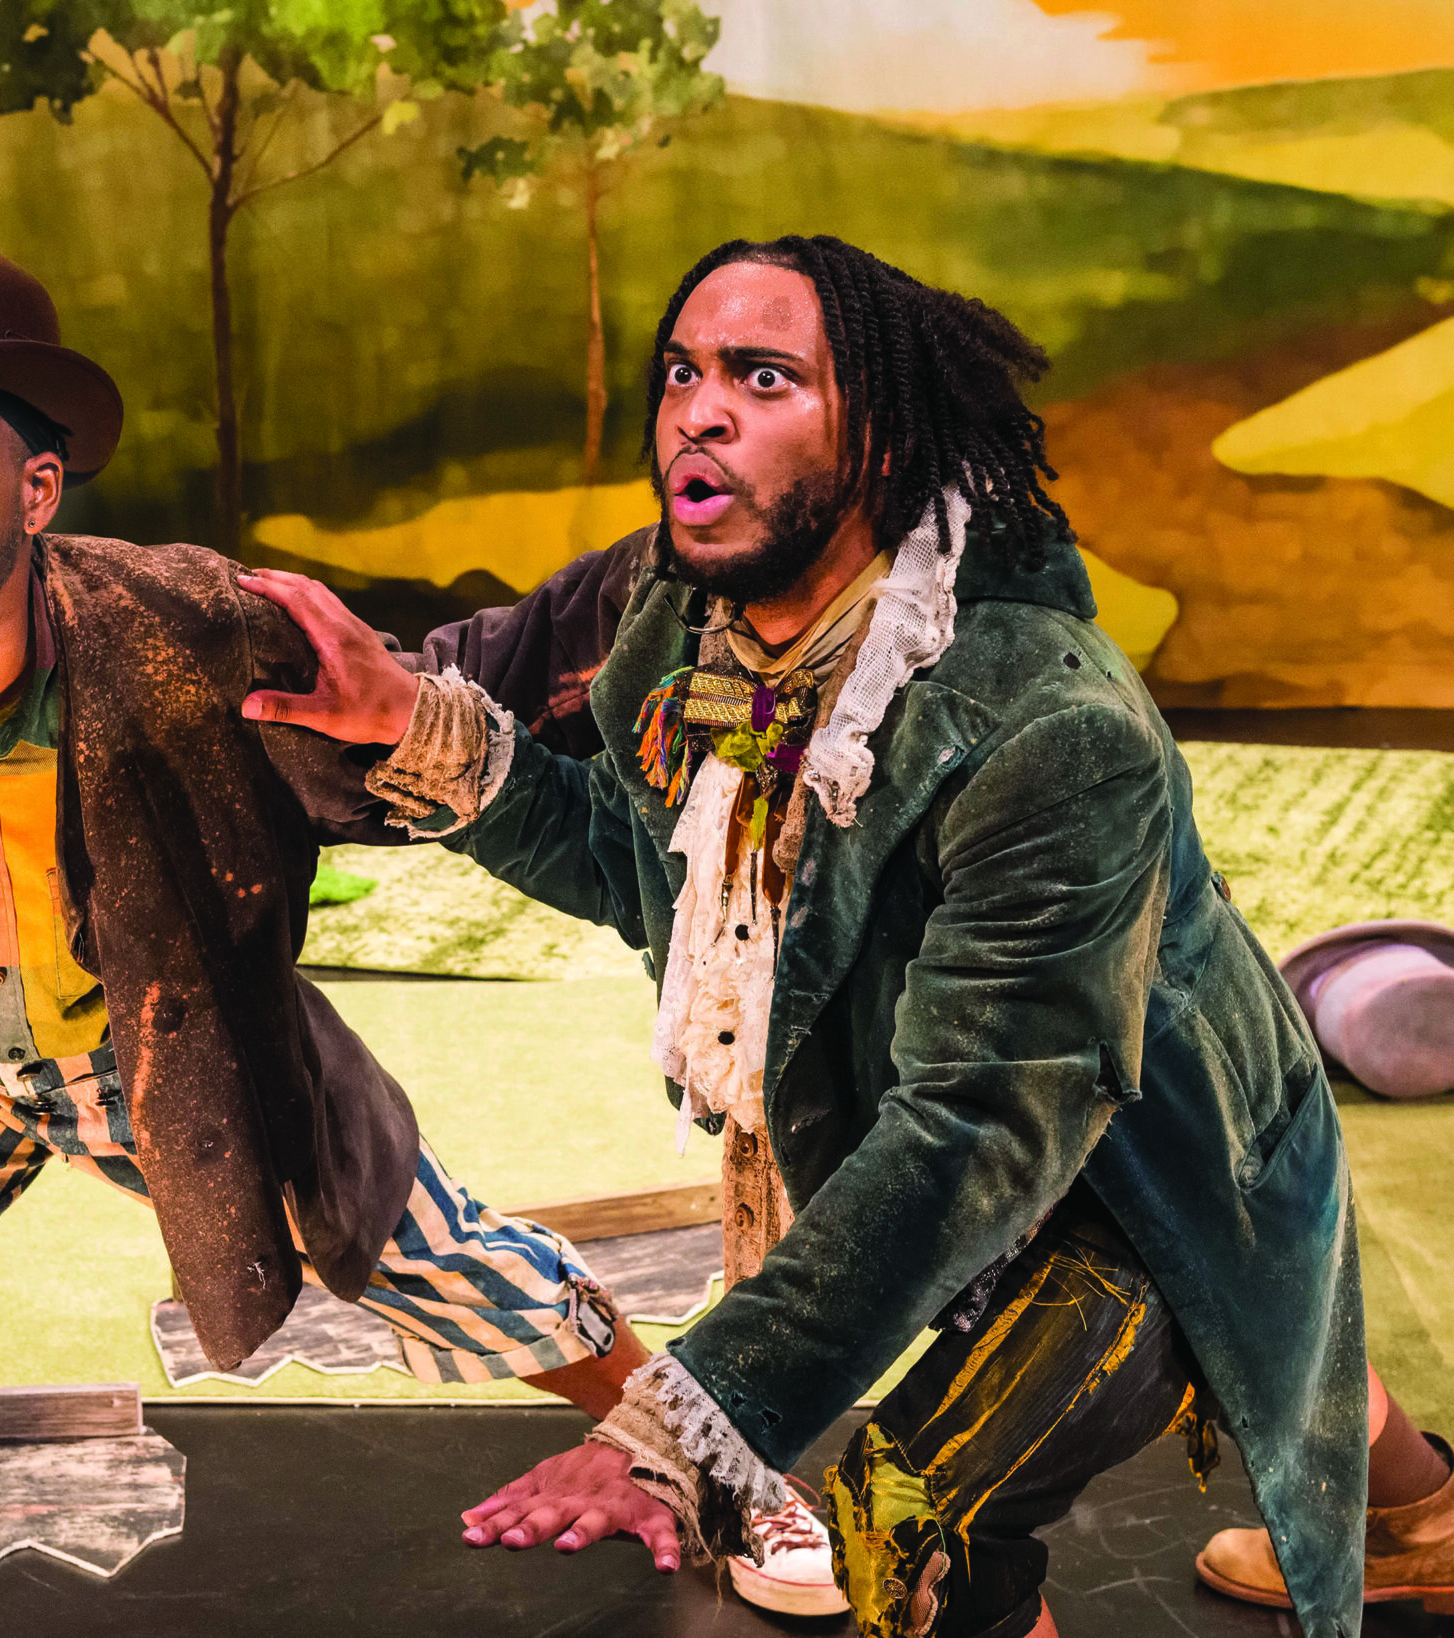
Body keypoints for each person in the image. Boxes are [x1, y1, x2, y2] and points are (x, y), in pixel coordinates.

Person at [241, 234, 1421, 1638]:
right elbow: (638, 869)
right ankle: (1427, 1518)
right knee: (1287, 1349)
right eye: (683, 370)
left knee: (920, 1512)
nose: (699, 410)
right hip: (957, 1120)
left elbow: (979, 1130)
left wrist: (684, 1420)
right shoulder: (686, 633)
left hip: (1142, 1175)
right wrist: (409, 721)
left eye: (763, 376)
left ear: (882, 442)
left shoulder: (1051, 726)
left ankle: (1375, 1493)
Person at [0, 235, 651, 1638]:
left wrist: (652, 575)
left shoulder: (173, 631)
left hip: (156, 1044)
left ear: (37, 489)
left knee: (434, 1253)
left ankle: (703, 1453)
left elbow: (443, 688)